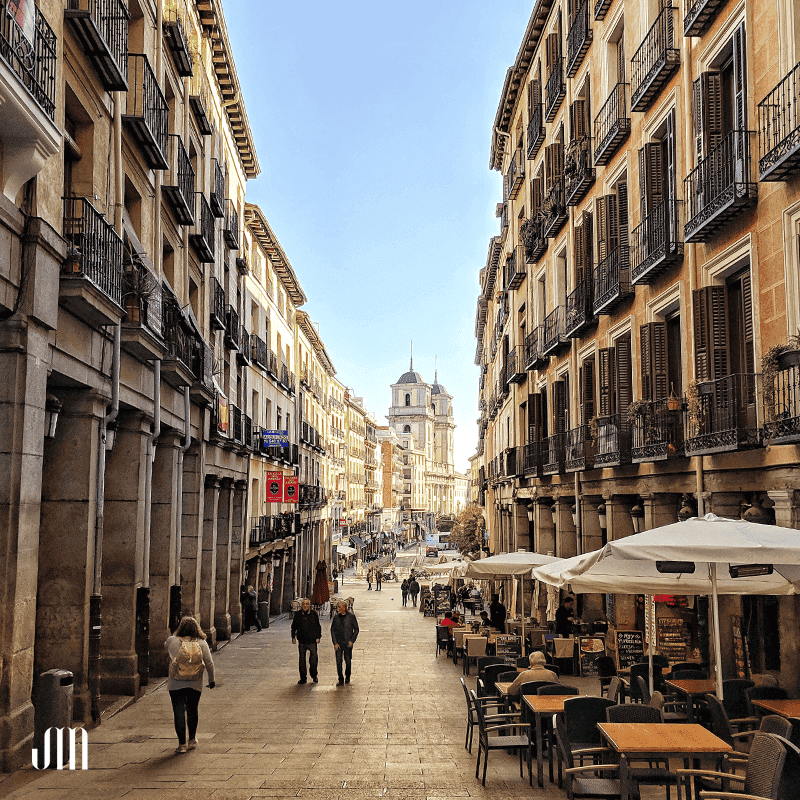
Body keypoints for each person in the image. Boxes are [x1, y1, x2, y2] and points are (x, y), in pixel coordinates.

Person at [165, 616, 215, 754]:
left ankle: (181, 745)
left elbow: (166, 650)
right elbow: (209, 663)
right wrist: (211, 680)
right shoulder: (202, 643)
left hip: (176, 682)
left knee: (178, 712)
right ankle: (192, 739)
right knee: (192, 709)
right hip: (195, 681)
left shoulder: (172, 641)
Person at [291, 598, 321, 684]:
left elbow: (318, 627)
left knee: (314, 660)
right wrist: (293, 637)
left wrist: (318, 637)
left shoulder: (314, 614)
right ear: (301, 606)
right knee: (302, 660)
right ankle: (303, 678)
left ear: (309, 605)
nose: (305, 606)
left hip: (312, 641)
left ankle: (314, 675)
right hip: (302, 641)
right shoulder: (298, 615)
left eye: (307, 604)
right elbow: (293, 627)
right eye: (303, 604)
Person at [331, 600, 359, 685]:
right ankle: (340, 678)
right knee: (338, 661)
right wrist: (335, 642)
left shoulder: (351, 617)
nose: (338, 608)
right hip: (339, 643)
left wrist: (352, 640)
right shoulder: (336, 618)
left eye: (339, 607)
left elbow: (356, 629)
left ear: (344, 607)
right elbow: (332, 630)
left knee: (348, 661)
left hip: (347, 643)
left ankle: (347, 676)